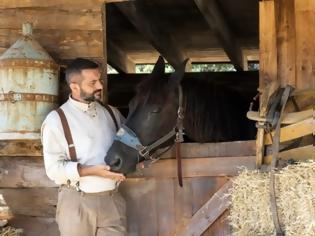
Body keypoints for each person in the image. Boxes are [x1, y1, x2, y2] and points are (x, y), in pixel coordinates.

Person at [41, 58, 127, 236]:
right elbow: (53, 170)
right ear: (74, 87)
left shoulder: (112, 113)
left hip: (112, 201)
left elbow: (130, 145)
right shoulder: (56, 120)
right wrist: (93, 171)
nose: (100, 86)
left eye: (100, 80)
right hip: (77, 202)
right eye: (93, 82)